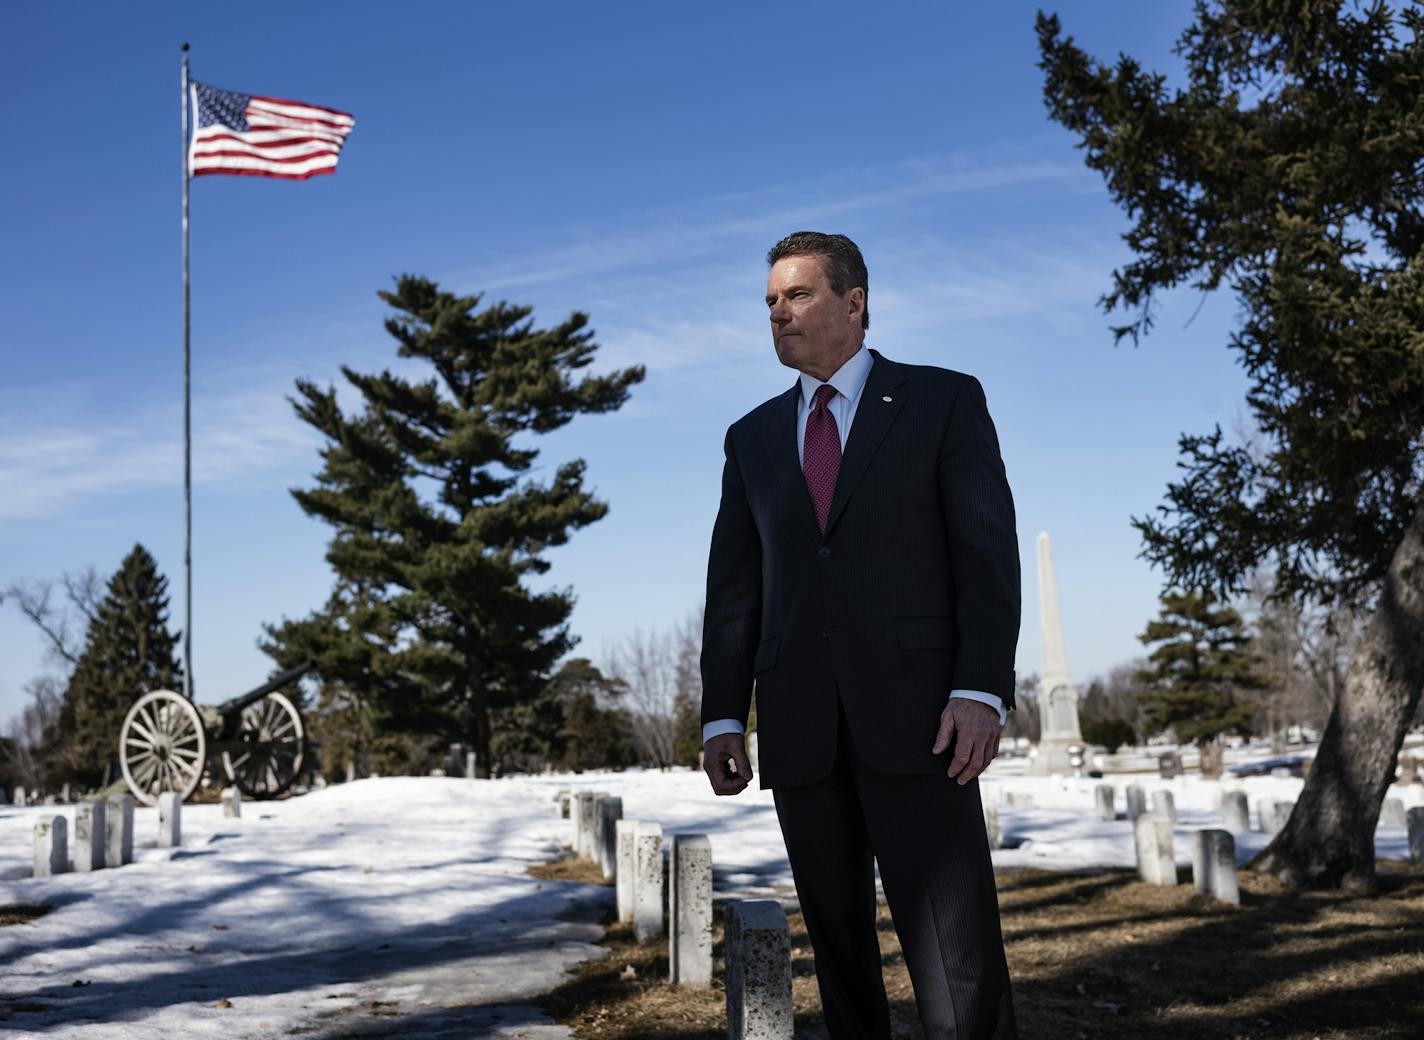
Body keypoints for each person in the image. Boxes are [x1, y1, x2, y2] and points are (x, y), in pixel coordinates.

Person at [699, 231, 1020, 1039]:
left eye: (797, 295)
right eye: (769, 301)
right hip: (803, 734)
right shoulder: (751, 439)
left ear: (854, 302)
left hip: (925, 726)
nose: (778, 314)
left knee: (958, 973)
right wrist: (723, 713)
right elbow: (735, 588)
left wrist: (979, 688)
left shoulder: (943, 401)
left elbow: (986, 554)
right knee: (842, 973)